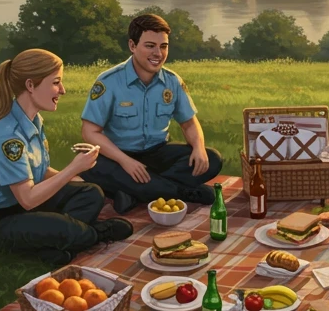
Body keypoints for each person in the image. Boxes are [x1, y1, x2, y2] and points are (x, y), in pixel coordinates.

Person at [0, 49, 134, 267]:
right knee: (65, 227)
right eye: (56, 83)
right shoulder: (8, 136)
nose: (62, 90)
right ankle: (93, 234)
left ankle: (51, 247)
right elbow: (27, 199)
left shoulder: (34, 121)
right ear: (30, 85)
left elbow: (40, 171)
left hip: (22, 208)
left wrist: (81, 180)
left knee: (91, 193)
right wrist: (73, 169)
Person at [79, 14, 223, 213]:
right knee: (92, 167)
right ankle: (183, 192)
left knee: (212, 158)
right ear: (132, 45)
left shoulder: (173, 81)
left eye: (163, 46)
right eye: (150, 46)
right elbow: (89, 132)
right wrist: (125, 161)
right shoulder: (109, 81)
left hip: (158, 154)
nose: (158, 53)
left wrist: (198, 148)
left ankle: (133, 192)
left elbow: (189, 122)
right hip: (119, 156)